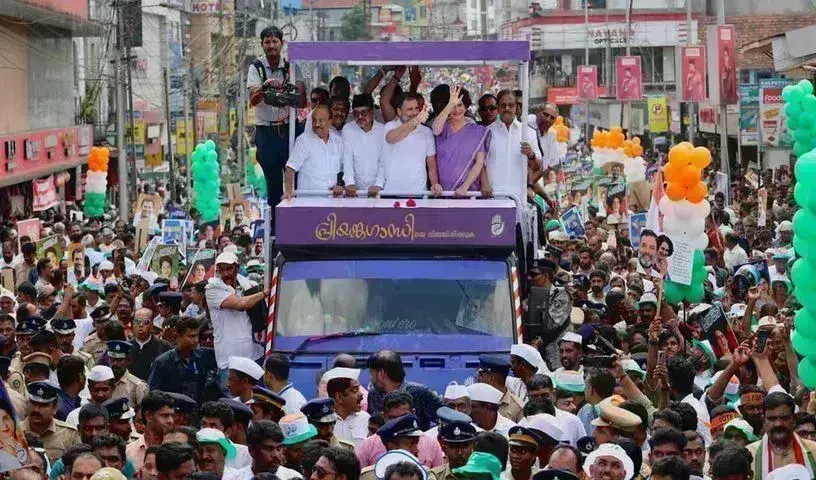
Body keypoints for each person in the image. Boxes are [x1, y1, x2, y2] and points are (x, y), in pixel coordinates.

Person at [247, 26, 305, 213]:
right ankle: (276, 228)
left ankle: (296, 219)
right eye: (267, 42)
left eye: (275, 42)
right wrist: (265, 89)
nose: (271, 46)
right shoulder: (256, 67)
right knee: (273, 184)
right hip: (266, 131)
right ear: (262, 44)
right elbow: (253, 100)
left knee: (296, 178)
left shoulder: (291, 66)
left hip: (290, 129)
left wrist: (290, 95)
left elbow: (302, 100)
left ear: (282, 43)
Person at [205, 252, 267, 379]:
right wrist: (265, 293)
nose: (226, 273)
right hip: (229, 361)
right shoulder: (213, 288)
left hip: (253, 356)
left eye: (229, 268)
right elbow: (240, 304)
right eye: (222, 269)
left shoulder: (248, 285)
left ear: (237, 268)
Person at [372, 92, 440, 195]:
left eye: (416, 108)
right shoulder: (389, 126)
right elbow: (391, 138)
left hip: (419, 193)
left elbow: (431, 165)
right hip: (391, 192)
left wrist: (435, 184)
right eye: (409, 109)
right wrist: (415, 121)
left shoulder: (427, 132)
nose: (414, 112)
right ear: (399, 111)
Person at [356, 391, 444, 468]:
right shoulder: (368, 445)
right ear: (384, 416)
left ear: (413, 413)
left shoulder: (431, 444)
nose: (399, 423)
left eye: (404, 417)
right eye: (393, 418)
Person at [485, 90, 542, 206]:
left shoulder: (528, 132)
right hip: (493, 198)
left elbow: (538, 167)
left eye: (510, 105)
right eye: (503, 105)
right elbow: (480, 163)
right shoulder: (487, 132)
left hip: (519, 199)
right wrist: (485, 184)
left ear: (516, 107)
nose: (507, 108)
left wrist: (531, 155)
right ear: (498, 107)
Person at [430, 85, 489, 195]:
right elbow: (436, 130)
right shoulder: (441, 126)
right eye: (453, 106)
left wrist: (464, 187)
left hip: (469, 191)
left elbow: (479, 162)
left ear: (466, 106)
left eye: (460, 105)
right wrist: (450, 103)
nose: (456, 110)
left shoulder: (477, 131)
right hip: (442, 192)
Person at [148, 316, 220, 403]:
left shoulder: (206, 356)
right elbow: (153, 393)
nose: (196, 340)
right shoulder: (163, 362)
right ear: (178, 336)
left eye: (197, 336)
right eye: (191, 336)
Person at [367, 350, 443, 431]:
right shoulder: (373, 395)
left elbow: (445, 421)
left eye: (371, 373)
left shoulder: (421, 393)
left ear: (381, 374)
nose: (370, 378)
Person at [746, 391, 816, 477]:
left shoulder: (814, 450)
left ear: (794, 419)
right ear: (763, 421)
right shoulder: (749, 455)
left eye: (784, 418)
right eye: (772, 419)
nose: (778, 424)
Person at [284, 105, 344, 200]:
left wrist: (339, 186)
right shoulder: (303, 141)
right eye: (314, 120)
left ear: (330, 122)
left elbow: (341, 170)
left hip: (332, 201)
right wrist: (288, 192)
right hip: (308, 203)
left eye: (321, 120)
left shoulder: (337, 141)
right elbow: (290, 168)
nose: (316, 124)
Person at [21, 381, 81, 460]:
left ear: (55, 408)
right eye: (33, 403)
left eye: (43, 406)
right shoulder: (14, 432)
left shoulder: (69, 435)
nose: (36, 410)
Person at [223, 420, 302, 480]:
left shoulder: (293, 477)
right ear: (251, 450)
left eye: (279, 448)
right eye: (269, 449)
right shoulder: (234, 478)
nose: (276, 455)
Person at [340, 94, 385, 197]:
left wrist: (378, 184)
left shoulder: (383, 130)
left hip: (378, 190)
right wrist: (350, 183)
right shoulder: (348, 129)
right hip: (353, 190)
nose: (360, 117)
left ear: (372, 112)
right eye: (356, 113)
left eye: (363, 113)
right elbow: (347, 159)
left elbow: (384, 161)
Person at [127, 391, 176, 471]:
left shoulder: (177, 451)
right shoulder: (129, 453)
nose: (170, 421)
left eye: (171, 416)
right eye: (165, 415)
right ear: (149, 416)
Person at [200, 400, 253, 470]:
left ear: (227, 432)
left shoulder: (245, 456)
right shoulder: (195, 452)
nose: (207, 430)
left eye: (213, 426)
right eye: (203, 424)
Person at [326, 367, 370, 447]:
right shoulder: (325, 423)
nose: (361, 394)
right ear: (339, 397)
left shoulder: (366, 419)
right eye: (355, 390)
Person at [477, 355, 524, 422]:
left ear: (491, 378)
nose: (478, 378)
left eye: (481, 375)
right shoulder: (475, 401)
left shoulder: (518, 408)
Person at [130, 308, 171, 381]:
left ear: (152, 325)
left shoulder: (164, 347)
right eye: (137, 321)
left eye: (146, 322)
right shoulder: (127, 346)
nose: (140, 325)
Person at [107, 340, 149, 409]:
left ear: (128, 360)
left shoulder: (137, 386)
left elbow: (142, 413)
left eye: (119, 360)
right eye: (112, 360)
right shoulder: (104, 381)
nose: (115, 363)